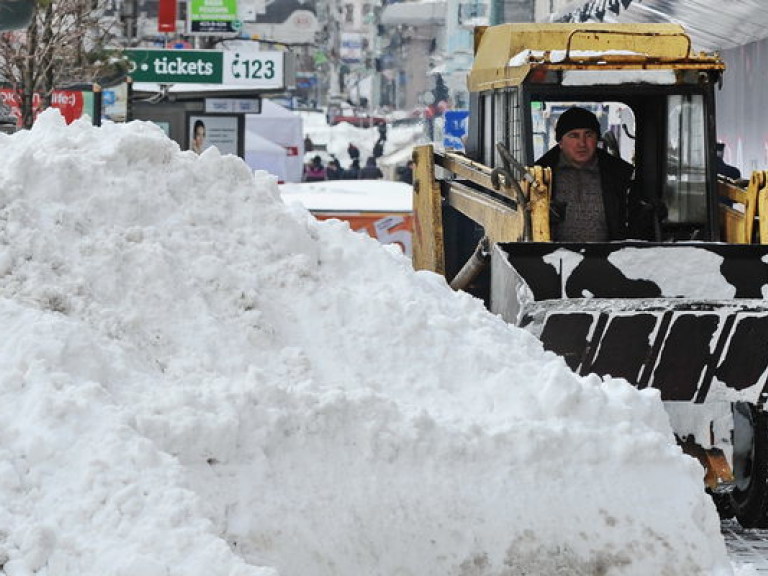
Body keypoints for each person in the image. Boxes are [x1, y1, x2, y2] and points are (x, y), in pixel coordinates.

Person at [534, 106, 634, 242]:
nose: (582, 143)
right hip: (553, 258)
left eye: (589, 135)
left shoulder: (619, 175)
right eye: (573, 135)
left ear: (597, 139)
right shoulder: (539, 176)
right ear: (561, 142)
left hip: (608, 258)